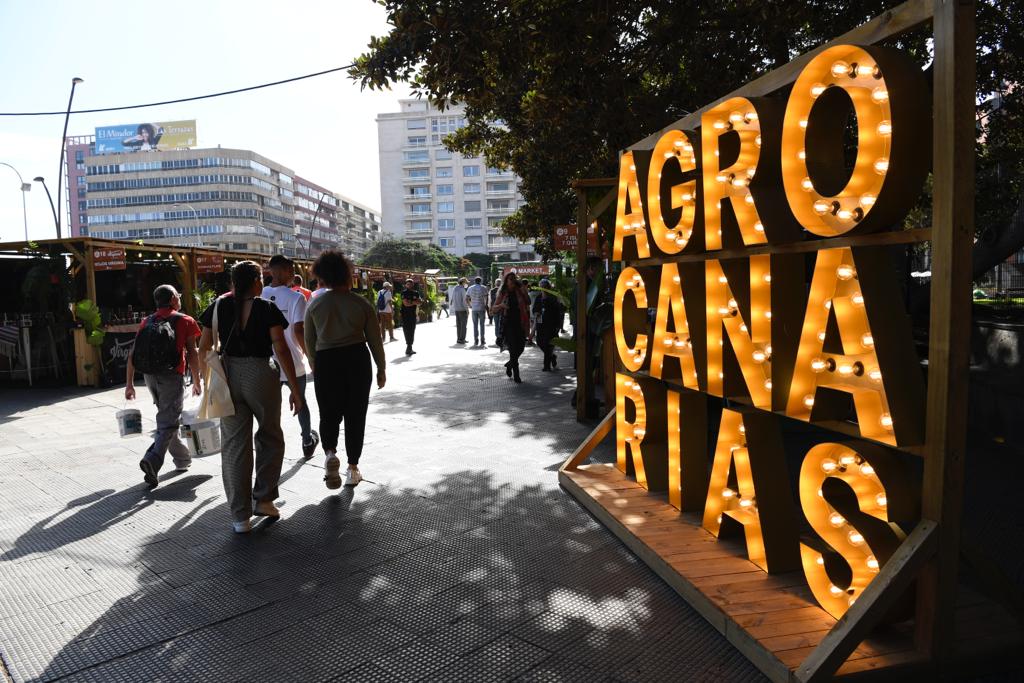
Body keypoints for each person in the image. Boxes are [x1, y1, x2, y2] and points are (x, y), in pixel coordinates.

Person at [198, 261, 303, 534]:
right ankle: (265, 499)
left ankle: (239, 517)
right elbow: (280, 347)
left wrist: (206, 381)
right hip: (260, 374)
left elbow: (204, 346)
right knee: (270, 435)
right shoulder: (265, 308)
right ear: (256, 281)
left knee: (234, 446)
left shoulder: (219, 306)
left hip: (228, 374)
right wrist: (294, 387)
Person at [304, 251, 386, 489]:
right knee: (355, 414)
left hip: (326, 359)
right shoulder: (361, 304)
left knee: (328, 412)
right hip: (357, 359)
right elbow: (375, 341)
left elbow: (310, 341)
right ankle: (352, 468)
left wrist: (314, 363)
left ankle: (330, 453)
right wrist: (381, 368)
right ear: (347, 275)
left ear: (323, 277)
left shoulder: (315, 304)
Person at [125, 285, 202, 488]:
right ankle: (153, 459)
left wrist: (129, 384)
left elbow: (133, 354)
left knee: (168, 417)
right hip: (171, 376)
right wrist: (196, 380)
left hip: (149, 376)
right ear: (173, 299)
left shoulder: (147, 321)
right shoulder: (185, 320)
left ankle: (182, 460)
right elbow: (192, 354)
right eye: (178, 295)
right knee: (168, 421)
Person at [262, 255, 319, 459]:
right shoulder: (296, 297)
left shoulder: (259, 294)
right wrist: (310, 357)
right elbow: (298, 330)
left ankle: (270, 445)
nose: (294, 273)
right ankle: (306, 440)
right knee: (301, 400)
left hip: (267, 362)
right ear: (285, 270)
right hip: (293, 360)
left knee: (270, 407)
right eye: (291, 269)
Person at [492, 272, 529, 383]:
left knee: (521, 348)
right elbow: (493, 309)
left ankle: (510, 364)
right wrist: (501, 305)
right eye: (510, 279)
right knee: (513, 349)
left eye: (514, 278)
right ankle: (517, 375)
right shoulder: (503, 293)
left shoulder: (520, 290)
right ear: (506, 281)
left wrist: (524, 292)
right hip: (508, 324)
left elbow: (528, 302)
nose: (513, 281)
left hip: (521, 323)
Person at [535, 279, 566, 372]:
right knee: (539, 342)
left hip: (551, 324)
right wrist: (536, 312)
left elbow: (559, 310)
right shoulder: (538, 297)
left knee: (547, 344)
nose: (543, 288)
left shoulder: (554, 297)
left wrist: (559, 325)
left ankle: (546, 365)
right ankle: (552, 356)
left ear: (548, 287)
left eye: (545, 286)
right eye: (542, 286)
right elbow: (535, 309)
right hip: (540, 324)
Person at [400, 279, 422, 356]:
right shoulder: (404, 292)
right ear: (405, 285)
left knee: (412, 330)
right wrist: (413, 302)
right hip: (405, 315)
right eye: (408, 284)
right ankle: (408, 346)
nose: (409, 285)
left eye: (411, 284)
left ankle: (410, 346)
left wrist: (411, 302)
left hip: (413, 314)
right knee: (406, 330)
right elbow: (405, 304)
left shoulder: (416, 293)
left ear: (413, 284)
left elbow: (419, 302)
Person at [467, 276, 489, 346]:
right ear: (480, 281)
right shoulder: (484, 288)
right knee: (482, 325)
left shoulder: (470, 288)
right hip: (482, 308)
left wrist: (470, 305)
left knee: (475, 325)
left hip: (474, 309)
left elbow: (467, 298)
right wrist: (485, 305)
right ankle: (482, 340)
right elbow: (486, 297)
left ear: (474, 281)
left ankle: (476, 340)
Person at [449, 278, 469, 344]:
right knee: (463, 326)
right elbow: (464, 301)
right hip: (462, 309)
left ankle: (459, 339)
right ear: (463, 282)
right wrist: (467, 309)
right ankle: (462, 339)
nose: (466, 284)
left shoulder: (455, 288)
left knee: (459, 325)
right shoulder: (462, 289)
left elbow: (452, 299)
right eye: (466, 282)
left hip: (456, 309)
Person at [491, 278, 504, 349]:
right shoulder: (503, 290)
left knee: (496, 324)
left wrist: (490, 309)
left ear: (496, 283)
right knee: (501, 324)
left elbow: (490, 301)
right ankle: (500, 338)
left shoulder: (492, 290)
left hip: (495, 309)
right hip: (501, 309)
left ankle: (497, 338)